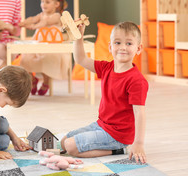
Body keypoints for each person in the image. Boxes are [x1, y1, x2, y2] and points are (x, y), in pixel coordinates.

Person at [61, 21, 148, 164]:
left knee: (71, 146)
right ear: (110, 46)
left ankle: (117, 150)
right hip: (101, 125)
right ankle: (114, 147)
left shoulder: (137, 80)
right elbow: (81, 59)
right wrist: (79, 37)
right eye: (118, 43)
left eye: (129, 44)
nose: (122, 48)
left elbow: (139, 113)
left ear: (138, 48)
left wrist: (138, 143)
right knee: (64, 141)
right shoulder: (107, 68)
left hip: (119, 135)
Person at [19, 0, 69, 96]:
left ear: (56, 4)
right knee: (25, 58)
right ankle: (32, 79)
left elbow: (45, 22)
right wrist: (22, 23)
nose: (43, 4)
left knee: (48, 59)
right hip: (38, 45)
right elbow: (32, 19)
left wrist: (34, 27)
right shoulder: (41, 15)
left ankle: (46, 82)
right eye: (42, 1)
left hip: (52, 47)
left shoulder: (57, 16)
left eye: (47, 2)